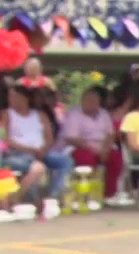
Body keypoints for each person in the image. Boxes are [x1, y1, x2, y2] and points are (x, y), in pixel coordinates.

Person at [2, 84, 71, 219]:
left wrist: (43, 150)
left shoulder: (40, 115)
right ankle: (22, 199)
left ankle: (53, 197)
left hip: (41, 151)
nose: (11, 99)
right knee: (35, 166)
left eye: (15, 96)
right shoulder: (7, 114)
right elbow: (6, 140)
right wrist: (29, 150)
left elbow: (49, 138)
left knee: (65, 161)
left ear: (25, 98)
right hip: (18, 154)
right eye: (10, 96)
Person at [60, 85, 122, 210]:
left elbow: (110, 134)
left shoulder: (103, 114)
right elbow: (71, 138)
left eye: (94, 101)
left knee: (116, 157)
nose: (91, 103)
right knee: (86, 159)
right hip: (81, 146)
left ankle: (109, 195)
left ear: (99, 102)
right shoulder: (74, 114)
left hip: (103, 146)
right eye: (87, 100)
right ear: (82, 101)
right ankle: (87, 195)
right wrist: (92, 148)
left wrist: (105, 149)